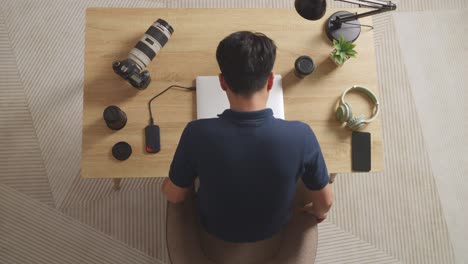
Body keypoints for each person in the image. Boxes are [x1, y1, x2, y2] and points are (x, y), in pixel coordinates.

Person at [162, 31, 333, 243]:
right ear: (270, 82)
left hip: (214, 228)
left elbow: (174, 196)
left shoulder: (196, 133)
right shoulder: (301, 135)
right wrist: (319, 214)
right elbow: (325, 203)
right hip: (274, 229)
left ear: (222, 83)